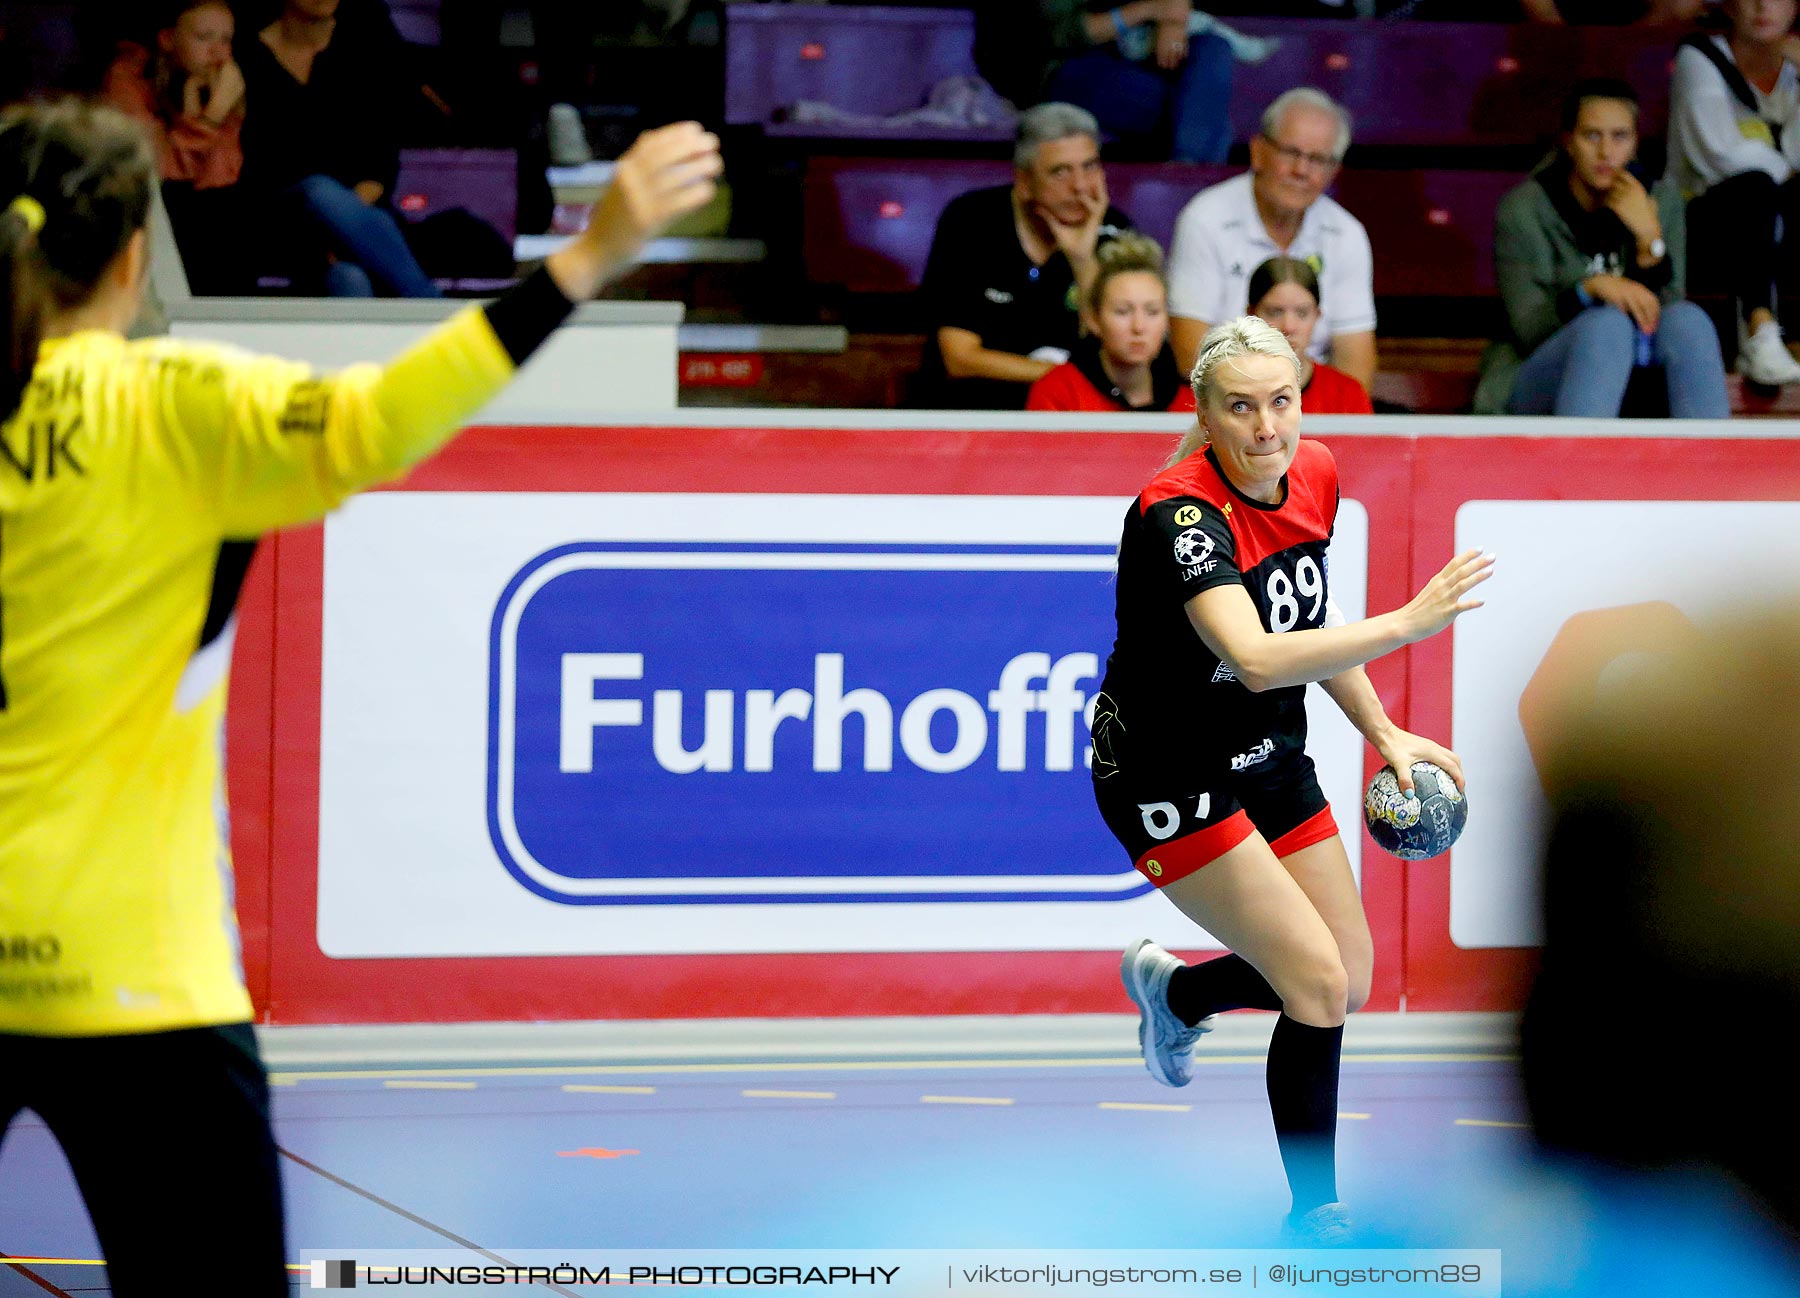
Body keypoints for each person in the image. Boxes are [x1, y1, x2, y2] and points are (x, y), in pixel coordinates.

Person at [0, 98, 720, 1295]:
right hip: (132, 977)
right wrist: (586, 262)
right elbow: (379, 420)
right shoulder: (172, 406)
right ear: (134, 257)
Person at [1093, 316, 1492, 1242]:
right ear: (1204, 412)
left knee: (1345, 981)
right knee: (1312, 985)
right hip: (1168, 771)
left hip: (1267, 753)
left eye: (1282, 401)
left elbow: (1306, 614)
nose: (1267, 427)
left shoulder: (1313, 469)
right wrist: (1409, 623)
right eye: (1241, 408)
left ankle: (1181, 996)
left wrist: (1384, 729)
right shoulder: (1178, 515)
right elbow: (1259, 654)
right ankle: (1317, 1214)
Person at [1478, 79, 1730, 417]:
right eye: (1592, 135)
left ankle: (1708, 466)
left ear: (1635, 143)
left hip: (1639, 374)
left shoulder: (1661, 200)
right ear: (1568, 142)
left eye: (1620, 136)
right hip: (1540, 376)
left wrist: (1648, 242)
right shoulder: (1525, 209)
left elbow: (1668, 308)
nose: (1606, 152)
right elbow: (1530, 332)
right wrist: (1590, 290)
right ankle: (1581, 467)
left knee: (1691, 321)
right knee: (1605, 327)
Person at [915, 102, 1133, 410]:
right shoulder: (970, 220)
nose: (1081, 186)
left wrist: (1083, 258)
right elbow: (959, 358)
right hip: (971, 413)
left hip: (1074, 419)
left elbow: (1121, 353)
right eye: (1060, 172)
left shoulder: (1116, 232)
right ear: (1024, 183)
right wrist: (1070, 378)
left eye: (1090, 166)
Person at [1166, 88, 1377, 391]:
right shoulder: (1205, 219)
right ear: (1258, 151)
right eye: (1291, 153)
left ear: (1334, 170)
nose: (1301, 170)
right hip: (1227, 403)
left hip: (1313, 406)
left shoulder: (1347, 234)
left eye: (1318, 159)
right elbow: (1190, 355)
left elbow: (1356, 366)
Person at [236, 0, 441, 297]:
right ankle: (431, 304)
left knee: (350, 277)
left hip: (352, 213)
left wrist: (341, 222)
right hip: (274, 216)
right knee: (319, 190)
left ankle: (424, 308)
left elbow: (380, 154)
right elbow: (257, 162)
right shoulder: (247, 55)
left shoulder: (360, 47)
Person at [1668, 0, 1800, 386]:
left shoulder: (1793, 69)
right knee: (1754, 188)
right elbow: (1721, 153)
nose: (1763, 6)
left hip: (1773, 223)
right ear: (1727, 5)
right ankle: (1760, 336)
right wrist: (1789, 174)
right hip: (1701, 225)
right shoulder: (1699, 56)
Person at [100, 0, 255, 295]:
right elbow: (162, 175)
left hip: (211, 223)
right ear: (168, 39)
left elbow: (222, 182)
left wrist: (211, 111)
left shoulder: (221, 84)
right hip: (148, 219)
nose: (218, 52)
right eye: (203, 37)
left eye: (226, 40)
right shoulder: (128, 81)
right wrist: (212, 117)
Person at [974, 1, 1234, 165]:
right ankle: (1187, 180)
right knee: (1208, 121)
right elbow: (1060, 33)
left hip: (1136, 58)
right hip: (1057, 66)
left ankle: (1186, 172)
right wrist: (1148, 9)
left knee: (1214, 49)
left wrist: (1173, 19)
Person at [1027, 232, 1196, 412]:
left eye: (1152, 312)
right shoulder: (1058, 392)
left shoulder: (1193, 400)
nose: (1138, 327)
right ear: (1093, 319)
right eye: (1122, 312)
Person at [1245, 256, 1373, 415]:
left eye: (1302, 313)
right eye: (1275, 312)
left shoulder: (1347, 394)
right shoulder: (1225, 388)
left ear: (1317, 315)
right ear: (1251, 314)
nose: (1289, 327)